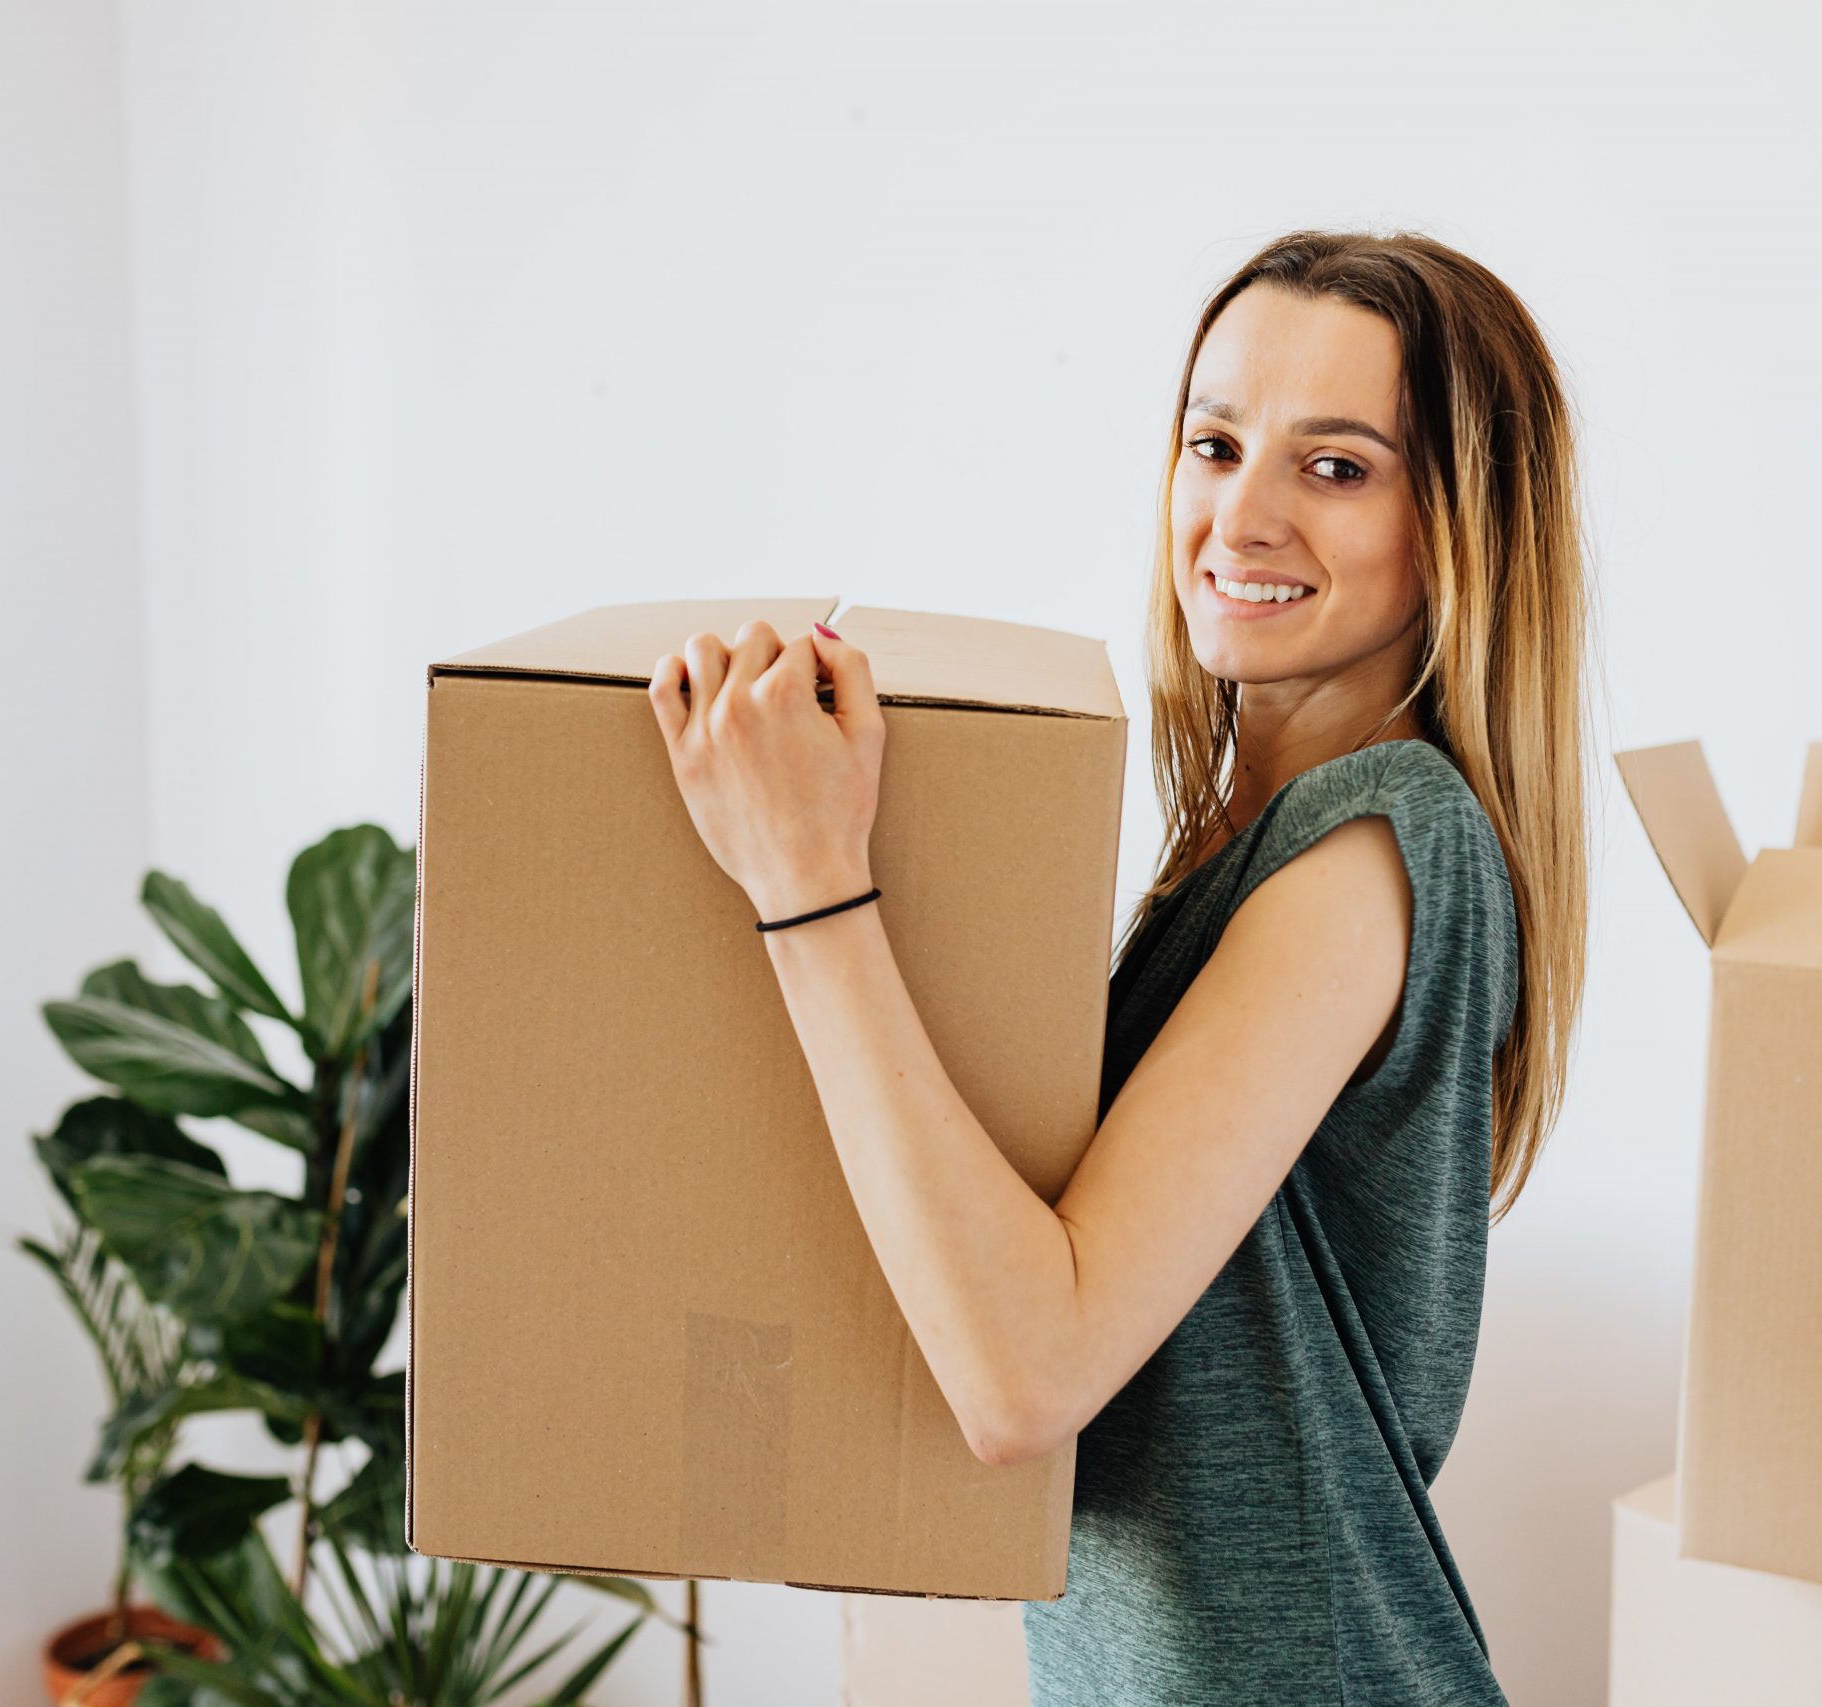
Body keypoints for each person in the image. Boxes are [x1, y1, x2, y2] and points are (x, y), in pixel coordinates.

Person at [645, 226, 1590, 1706]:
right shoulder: (1246, 848)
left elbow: (1030, 1370)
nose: (1243, 516)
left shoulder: (1381, 841)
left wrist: (808, 879)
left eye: (1335, 467)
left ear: (1462, 530)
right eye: (1214, 444)